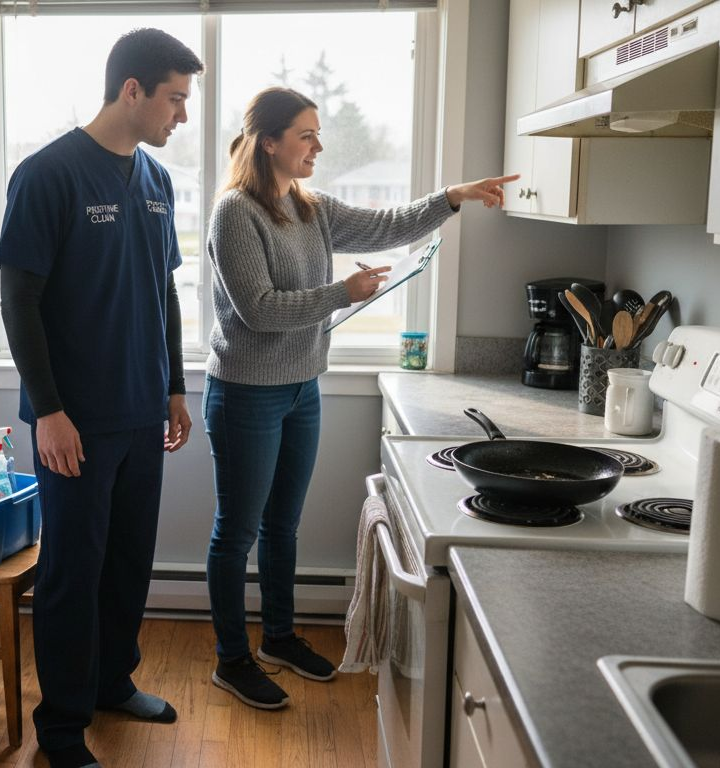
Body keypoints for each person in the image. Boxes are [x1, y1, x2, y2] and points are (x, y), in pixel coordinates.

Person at [202, 86, 517, 710]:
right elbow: (259, 311)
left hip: (301, 388)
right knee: (236, 534)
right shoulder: (235, 212)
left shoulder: (310, 207)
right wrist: (340, 294)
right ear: (270, 142)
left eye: (318, 134)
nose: (318, 145)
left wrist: (453, 197)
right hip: (245, 394)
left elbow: (385, 225)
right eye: (307, 135)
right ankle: (232, 660)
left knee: (282, 525)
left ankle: (279, 638)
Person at [0, 28, 203, 768]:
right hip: (74, 421)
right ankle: (60, 726)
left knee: (128, 563)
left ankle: (113, 682)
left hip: (143, 411)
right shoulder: (47, 174)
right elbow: (18, 301)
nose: (183, 114)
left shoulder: (157, 180)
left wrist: (174, 386)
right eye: (175, 98)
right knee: (72, 576)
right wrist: (48, 411)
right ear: (132, 90)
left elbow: (164, 292)